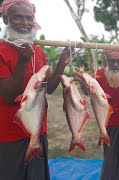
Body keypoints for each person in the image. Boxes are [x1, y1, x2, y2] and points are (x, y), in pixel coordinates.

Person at [0, 0, 73, 179]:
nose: (24, 23)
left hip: (38, 130)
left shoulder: (38, 51)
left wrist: (62, 63)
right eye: (17, 17)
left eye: (28, 18)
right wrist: (22, 61)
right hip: (9, 135)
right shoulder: (1, 50)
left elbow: (48, 89)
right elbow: (9, 97)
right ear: (5, 19)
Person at [74, 49, 119, 180]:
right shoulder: (99, 75)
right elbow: (87, 91)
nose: (115, 64)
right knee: (112, 158)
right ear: (106, 61)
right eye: (111, 61)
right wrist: (83, 83)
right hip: (109, 124)